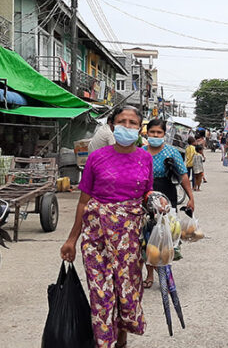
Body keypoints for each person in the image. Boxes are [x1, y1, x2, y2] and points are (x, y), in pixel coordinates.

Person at [61, 106, 160, 348]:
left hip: (130, 239)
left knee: (126, 292)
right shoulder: (97, 157)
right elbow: (84, 201)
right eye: (122, 121)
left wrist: (159, 202)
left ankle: (122, 341)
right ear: (112, 126)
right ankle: (103, 342)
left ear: (139, 128)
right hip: (97, 237)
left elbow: (146, 194)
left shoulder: (145, 157)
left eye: (133, 122)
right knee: (101, 293)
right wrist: (72, 239)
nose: (127, 126)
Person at [142, 118, 195, 289]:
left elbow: (183, 175)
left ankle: (165, 272)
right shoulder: (140, 152)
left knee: (165, 237)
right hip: (144, 199)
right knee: (146, 238)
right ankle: (149, 274)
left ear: (164, 134)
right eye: (152, 132)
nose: (155, 135)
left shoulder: (172, 152)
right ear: (147, 133)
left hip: (167, 199)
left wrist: (191, 198)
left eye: (159, 133)